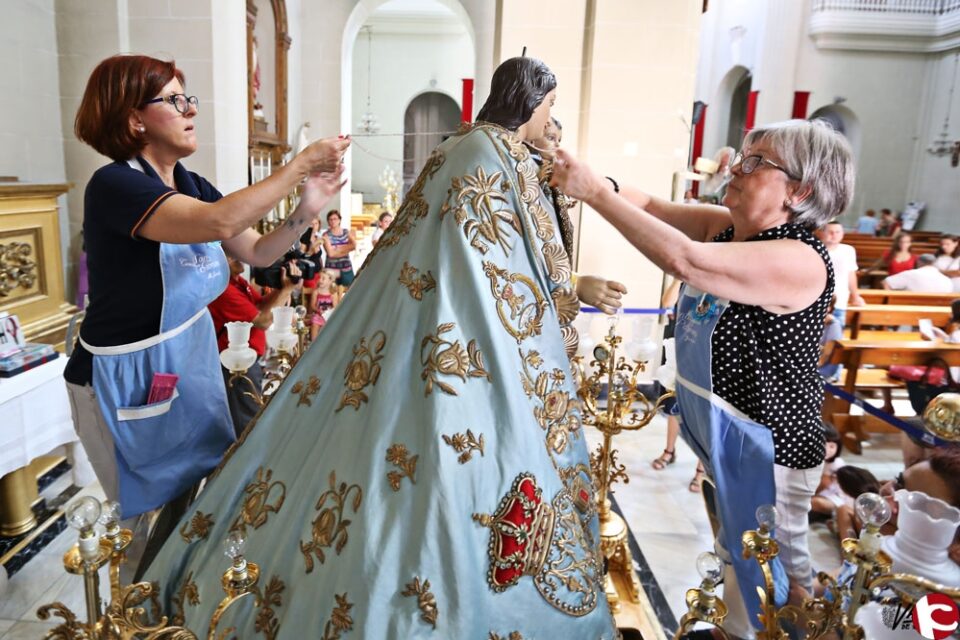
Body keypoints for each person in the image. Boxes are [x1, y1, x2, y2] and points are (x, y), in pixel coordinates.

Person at [144, 56, 616, 639]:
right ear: (530, 101)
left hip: (420, 331)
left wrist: (304, 211)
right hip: (474, 337)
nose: (554, 119)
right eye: (549, 105)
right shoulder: (500, 152)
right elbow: (519, 255)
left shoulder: (456, 145)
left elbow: (266, 249)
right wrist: (564, 298)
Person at [552, 118, 851, 638]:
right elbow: (652, 208)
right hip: (729, 441)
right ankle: (735, 630)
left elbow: (686, 260)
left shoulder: (800, 258)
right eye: (743, 154)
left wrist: (595, 194)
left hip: (770, 451)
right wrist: (587, 176)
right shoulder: (732, 228)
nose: (736, 167)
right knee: (738, 559)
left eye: (757, 163)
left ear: (800, 191)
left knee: (777, 575)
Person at [63, 54, 348, 522]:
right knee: (143, 520)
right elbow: (219, 221)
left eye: (187, 98)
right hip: (126, 373)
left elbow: (258, 251)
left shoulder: (192, 184)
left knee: (199, 504)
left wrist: (307, 208)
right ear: (135, 118)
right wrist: (299, 165)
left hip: (187, 363)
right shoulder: (113, 185)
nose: (191, 109)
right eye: (175, 100)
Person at [530, 116, 627, 314]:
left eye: (559, 140)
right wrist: (575, 283)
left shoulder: (549, 182)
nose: (557, 146)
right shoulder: (525, 180)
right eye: (550, 137)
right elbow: (531, 248)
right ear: (530, 138)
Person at [208, 256, 300, 436]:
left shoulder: (237, 282)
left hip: (246, 360)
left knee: (250, 414)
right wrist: (286, 290)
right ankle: (247, 461)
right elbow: (262, 320)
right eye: (231, 254)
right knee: (247, 422)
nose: (239, 257)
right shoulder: (223, 289)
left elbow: (259, 305)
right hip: (236, 367)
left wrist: (283, 288)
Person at [817, 220, 865, 325]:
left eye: (837, 232)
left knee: (836, 334)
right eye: (830, 232)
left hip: (840, 300)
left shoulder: (848, 250)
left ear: (842, 234)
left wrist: (855, 296)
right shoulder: (815, 249)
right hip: (816, 301)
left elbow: (851, 275)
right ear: (821, 233)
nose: (834, 235)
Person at [881, 253, 953, 292]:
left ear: (919, 262)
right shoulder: (947, 280)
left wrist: (890, 300)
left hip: (909, 309)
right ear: (933, 263)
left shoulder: (911, 274)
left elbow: (885, 282)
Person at [322, 209, 357, 287]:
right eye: (330, 219)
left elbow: (354, 246)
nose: (333, 221)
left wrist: (338, 249)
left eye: (335, 219)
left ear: (339, 220)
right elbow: (331, 254)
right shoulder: (326, 235)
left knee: (350, 290)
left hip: (346, 268)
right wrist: (346, 249)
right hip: (331, 269)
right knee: (332, 293)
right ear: (328, 221)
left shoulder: (346, 232)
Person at [308, 268, 339, 340]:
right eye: (319, 278)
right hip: (318, 315)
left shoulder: (333, 293)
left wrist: (327, 313)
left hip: (328, 317)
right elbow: (312, 306)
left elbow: (335, 308)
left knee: (330, 327)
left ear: (330, 281)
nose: (320, 280)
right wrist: (319, 311)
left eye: (323, 278)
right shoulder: (316, 292)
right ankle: (313, 343)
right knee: (314, 324)